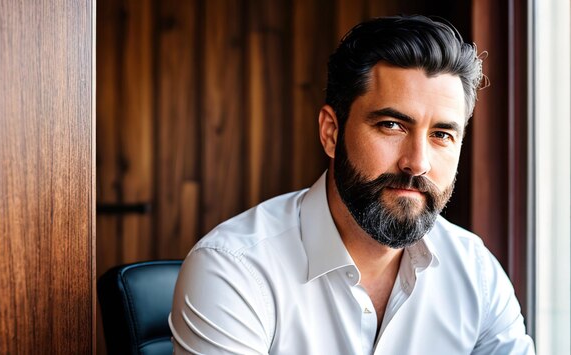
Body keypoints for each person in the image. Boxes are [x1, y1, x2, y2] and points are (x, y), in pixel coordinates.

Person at [169, 15, 535, 354]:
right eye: (392, 125)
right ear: (331, 133)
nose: (417, 162)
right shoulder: (235, 270)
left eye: (441, 134)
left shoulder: (476, 271)